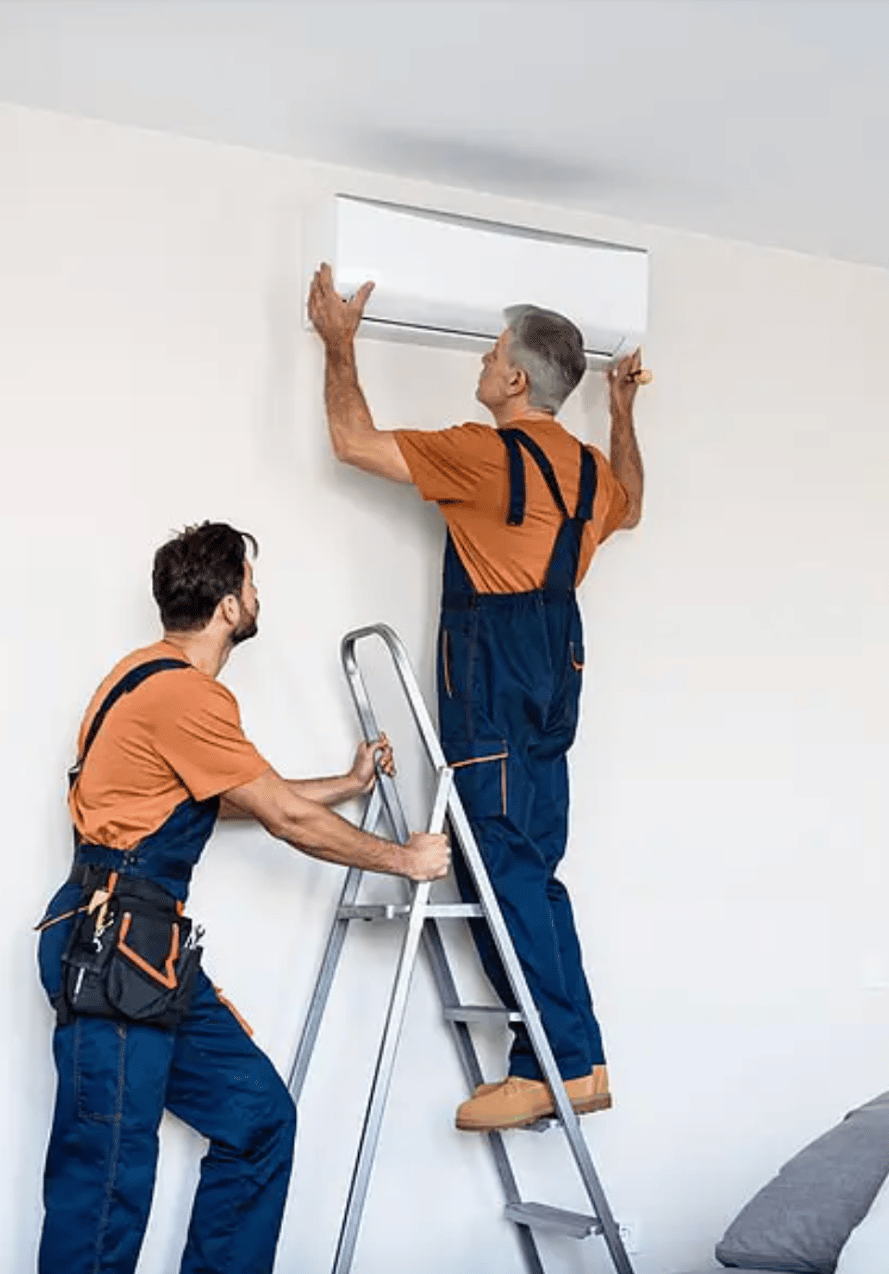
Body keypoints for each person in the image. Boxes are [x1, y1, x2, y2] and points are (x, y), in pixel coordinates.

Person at [32, 520, 449, 1274]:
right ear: (229, 606)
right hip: (118, 950)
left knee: (257, 1118)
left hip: (140, 950)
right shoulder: (189, 697)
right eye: (252, 584)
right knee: (105, 1186)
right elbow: (283, 818)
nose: (258, 597)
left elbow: (224, 798)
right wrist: (406, 859)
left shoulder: (136, 678)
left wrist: (346, 785)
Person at [306, 264, 646, 1132]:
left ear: (517, 380)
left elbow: (352, 439)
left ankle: (560, 1064)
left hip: (492, 680)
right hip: (557, 669)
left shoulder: (483, 452)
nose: (486, 363)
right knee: (535, 871)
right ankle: (576, 1059)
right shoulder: (591, 475)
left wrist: (339, 344)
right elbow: (634, 506)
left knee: (500, 872)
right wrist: (623, 414)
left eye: (494, 353)